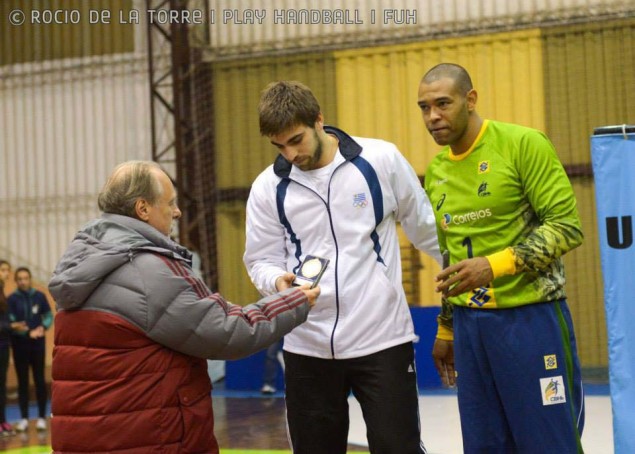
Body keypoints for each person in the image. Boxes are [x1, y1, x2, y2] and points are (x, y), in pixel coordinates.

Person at [48, 160, 319, 453]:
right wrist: (292, 301)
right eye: (170, 203)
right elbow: (226, 332)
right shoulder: (149, 270)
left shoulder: (80, 262)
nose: (177, 211)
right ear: (143, 209)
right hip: (147, 439)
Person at [244, 81, 440, 454]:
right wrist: (277, 282)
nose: (290, 154)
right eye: (279, 146)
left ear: (319, 120)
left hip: (382, 339)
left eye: (296, 140)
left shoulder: (380, 160)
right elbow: (259, 259)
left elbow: (425, 228)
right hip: (307, 344)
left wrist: (462, 276)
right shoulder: (267, 187)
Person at [418, 63, 585, 453]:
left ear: (470, 99)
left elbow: (566, 226)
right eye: (424, 107)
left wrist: (494, 265)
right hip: (470, 329)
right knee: (485, 445)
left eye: (443, 104)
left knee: (549, 444)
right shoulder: (438, 170)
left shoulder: (522, 144)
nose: (433, 116)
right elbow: (451, 257)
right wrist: (447, 327)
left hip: (531, 319)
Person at [7, 266, 52, 433]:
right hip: (20, 346)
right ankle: (24, 419)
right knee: (23, 382)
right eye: (19, 279)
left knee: (40, 380)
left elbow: (48, 315)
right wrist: (26, 332)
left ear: (30, 279)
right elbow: (11, 322)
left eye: (25, 278)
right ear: (16, 281)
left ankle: (41, 418)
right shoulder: (11, 299)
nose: (23, 281)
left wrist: (43, 327)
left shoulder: (39, 296)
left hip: (38, 345)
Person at [0, 260, 14, 436]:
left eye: (7, 270)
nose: (6, 273)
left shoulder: (3, 292)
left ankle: (3, 420)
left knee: (2, 385)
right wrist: (10, 326)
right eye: (2, 270)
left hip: (3, 345)